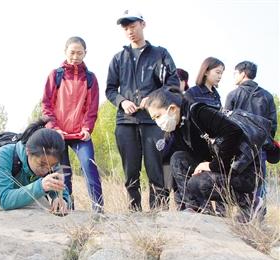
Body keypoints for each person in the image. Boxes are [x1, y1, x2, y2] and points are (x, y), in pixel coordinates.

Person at [141, 86, 263, 222]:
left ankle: (250, 203)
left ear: (172, 108)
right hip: (221, 171)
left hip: (243, 171)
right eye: (154, 119)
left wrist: (212, 165)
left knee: (198, 183)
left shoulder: (199, 112)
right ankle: (198, 207)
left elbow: (233, 132)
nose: (158, 122)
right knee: (178, 159)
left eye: (158, 116)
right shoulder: (179, 127)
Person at [106, 9, 179, 211]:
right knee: (130, 170)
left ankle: (158, 213)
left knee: (155, 169)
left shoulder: (160, 54)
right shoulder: (118, 59)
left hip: (153, 122)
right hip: (125, 122)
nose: (130, 31)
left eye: (133, 26)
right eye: (126, 28)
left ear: (143, 25)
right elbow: (110, 90)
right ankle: (134, 212)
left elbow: (173, 83)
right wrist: (122, 102)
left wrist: (154, 98)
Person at [42, 36, 103, 212]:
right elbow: (46, 105)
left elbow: (91, 109)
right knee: (64, 175)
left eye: (80, 53)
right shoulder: (56, 75)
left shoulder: (90, 79)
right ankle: (68, 209)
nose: (75, 56)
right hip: (58, 135)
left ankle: (98, 209)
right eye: (72, 52)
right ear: (65, 52)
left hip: (80, 136)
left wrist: (87, 128)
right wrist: (54, 129)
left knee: (90, 168)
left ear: (85, 53)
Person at [0, 118, 69, 215]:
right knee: (28, 207)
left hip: (20, 188)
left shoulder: (51, 159)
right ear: (28, 151)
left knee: (45, 208)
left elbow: (62, 192)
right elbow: (5, 199)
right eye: (41, 164)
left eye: (52, 166)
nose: (46, 170)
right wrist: (40, 186)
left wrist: (61, 199)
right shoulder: (4, 154)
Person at [225, 60, 278, 216]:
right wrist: (265, 143)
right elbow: (272, 125)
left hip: (238, 149)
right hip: (259, 147)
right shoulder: (267, 96)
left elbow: (226, 124)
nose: (233, 76)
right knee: (259, 184)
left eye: (235, 73)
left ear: (243, 73)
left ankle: (243, 217)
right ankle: (258, 221)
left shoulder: (233, 95)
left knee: (237, 181)